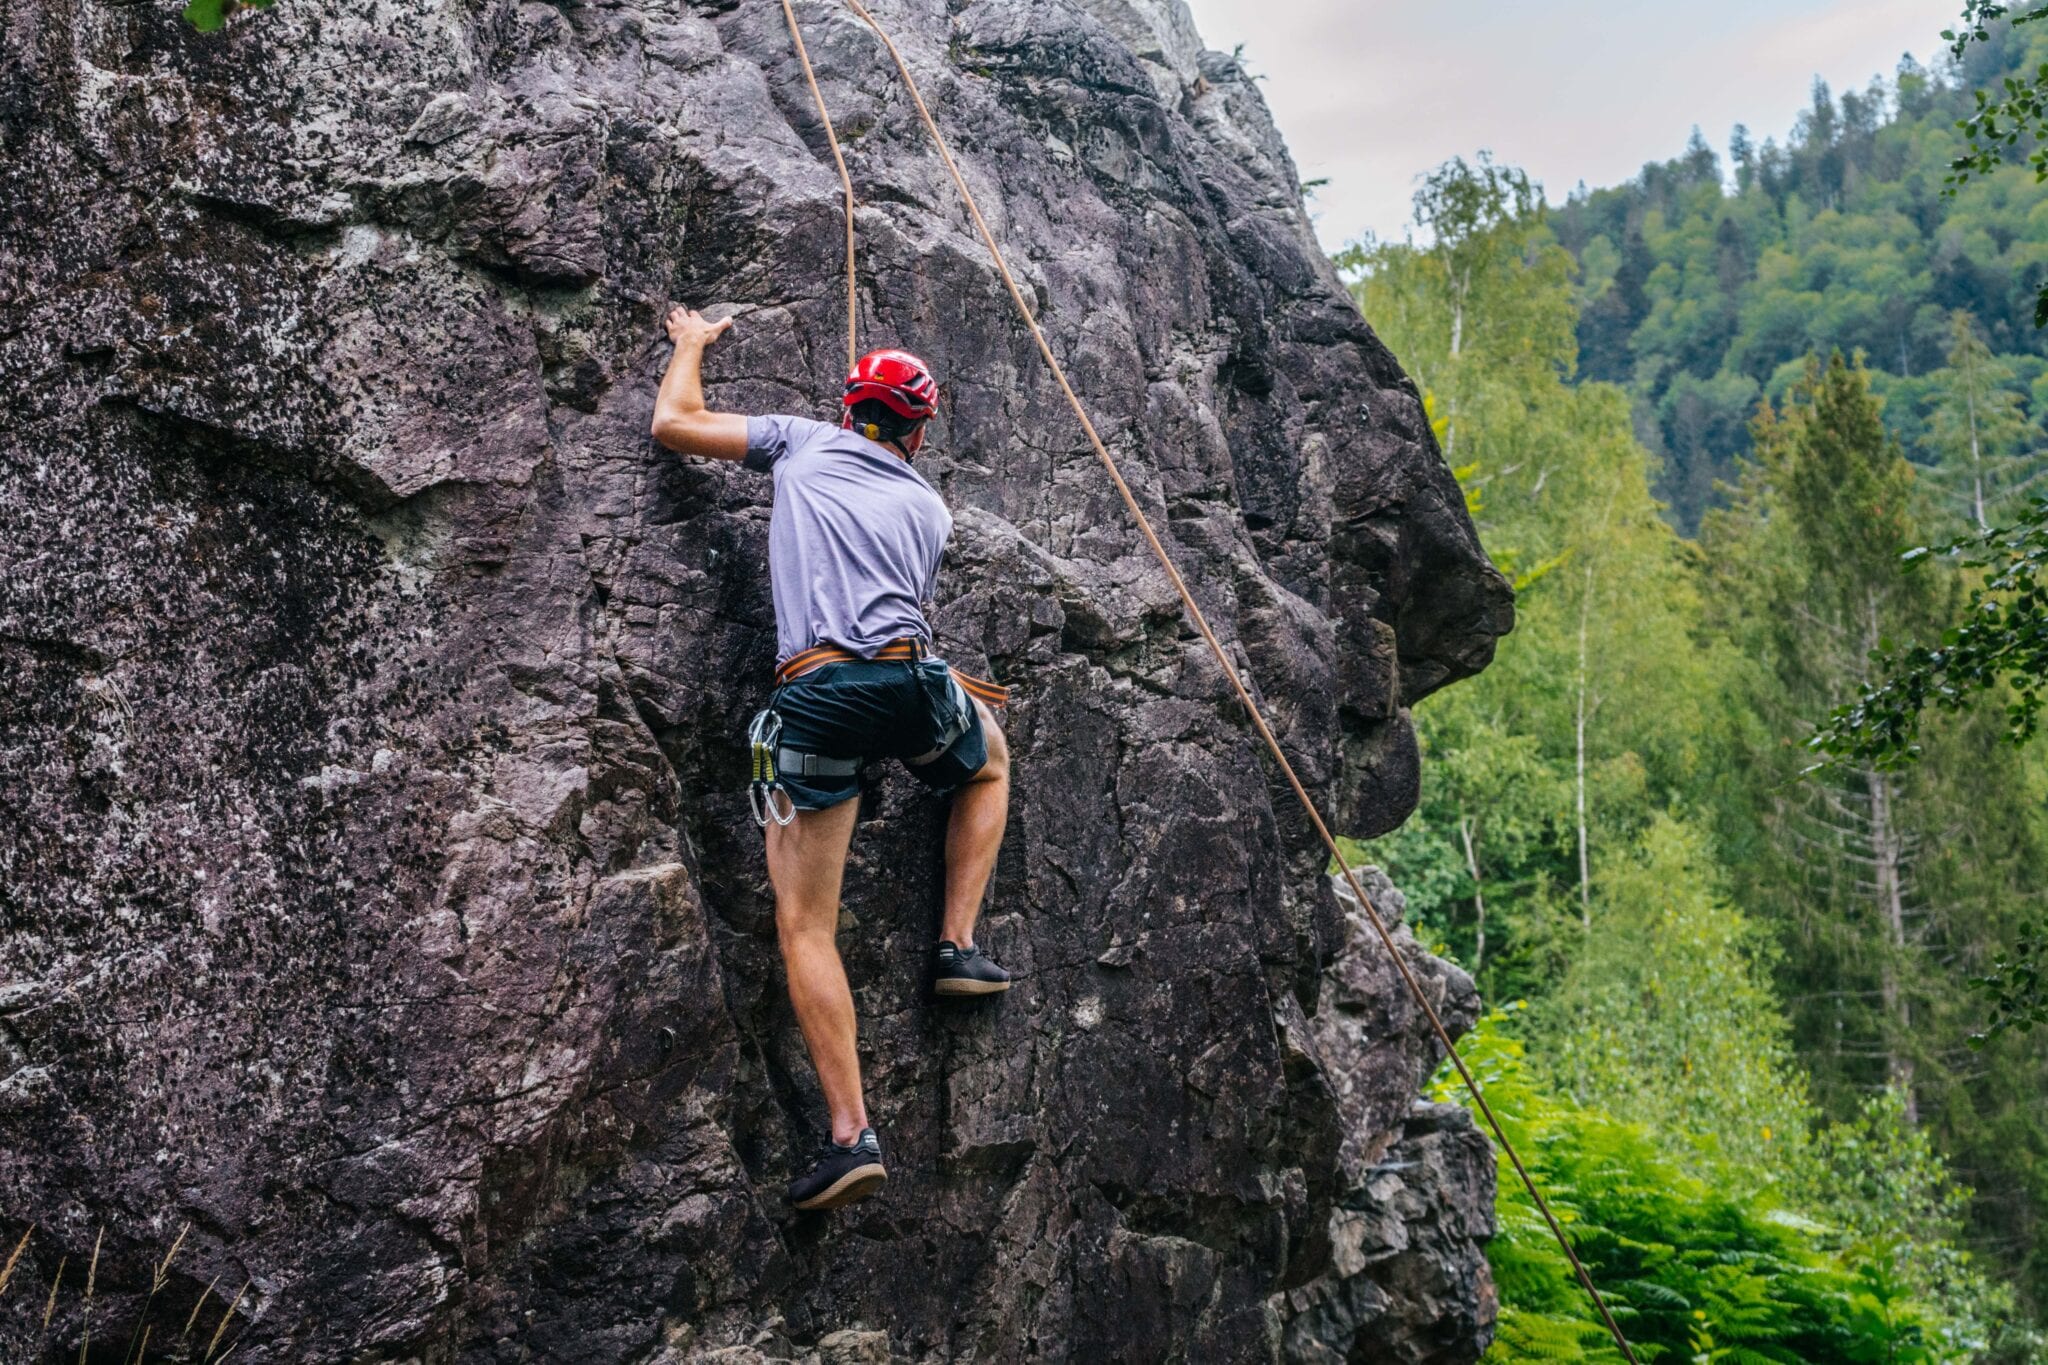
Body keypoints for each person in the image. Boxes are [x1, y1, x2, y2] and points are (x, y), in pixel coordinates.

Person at [650, 305, 1014, 1212]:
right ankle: (958, 944)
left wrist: (692, 346)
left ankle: (851, 1132)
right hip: (909, 681)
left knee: (806, 922)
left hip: (817, 695)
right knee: (988, 762)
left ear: (850, 407)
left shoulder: (804, 444)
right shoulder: (930, 507)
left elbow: (674, 426)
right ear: (919, 432)